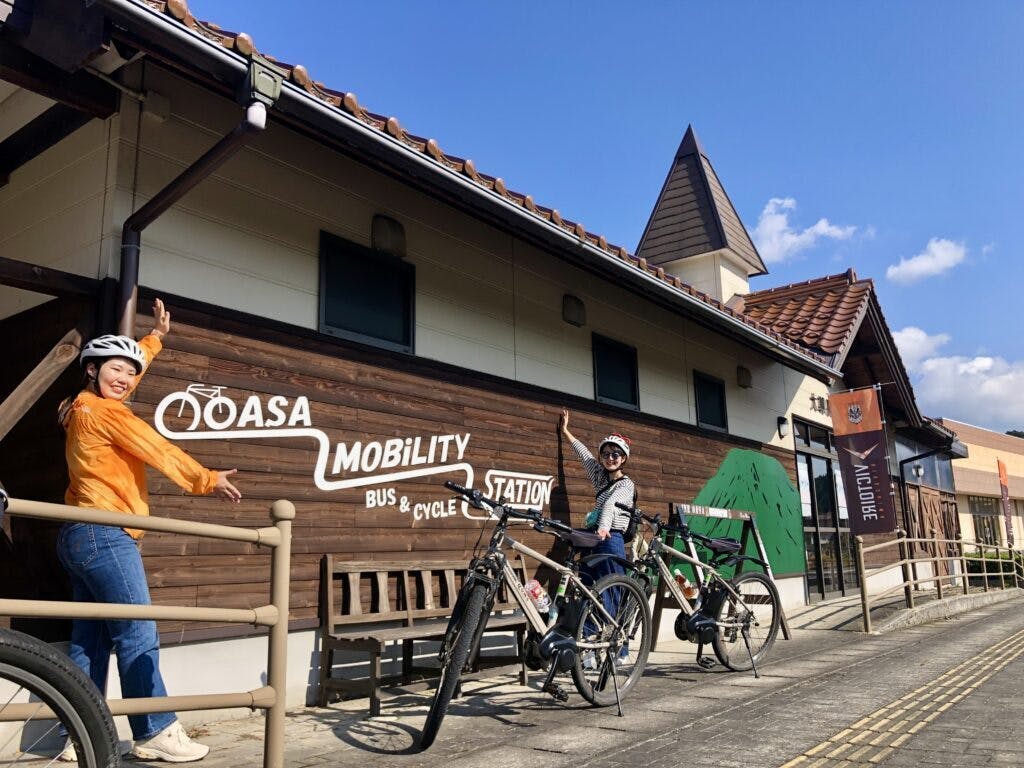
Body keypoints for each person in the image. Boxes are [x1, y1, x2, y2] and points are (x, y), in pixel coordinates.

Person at [56, 299, 241, 763]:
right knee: (137, 631)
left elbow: (125, 373)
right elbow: (155, 446)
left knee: (90, 642)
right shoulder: (106, 412)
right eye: (115, 369)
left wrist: (154, 339)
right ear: (92, 370)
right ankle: (154, 730)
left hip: (78, 533)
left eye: (130, 372)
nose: (124, 378)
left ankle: (79, 737)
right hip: (105, 533)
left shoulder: (84, 406)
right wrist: (206, 478)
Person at [558, 408, 636, 664]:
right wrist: (566, 431)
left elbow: (611, 505)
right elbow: (584, 456)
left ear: (624, 458)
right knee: (589, 593)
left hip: (611, 539)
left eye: (616, 454)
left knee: (611, 594)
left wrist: (603, 528)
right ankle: (590, 648)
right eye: (606, 453)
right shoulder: (601, 478)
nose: (610, 458)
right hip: (594, 540)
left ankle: (618, 651)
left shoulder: (626, 484)